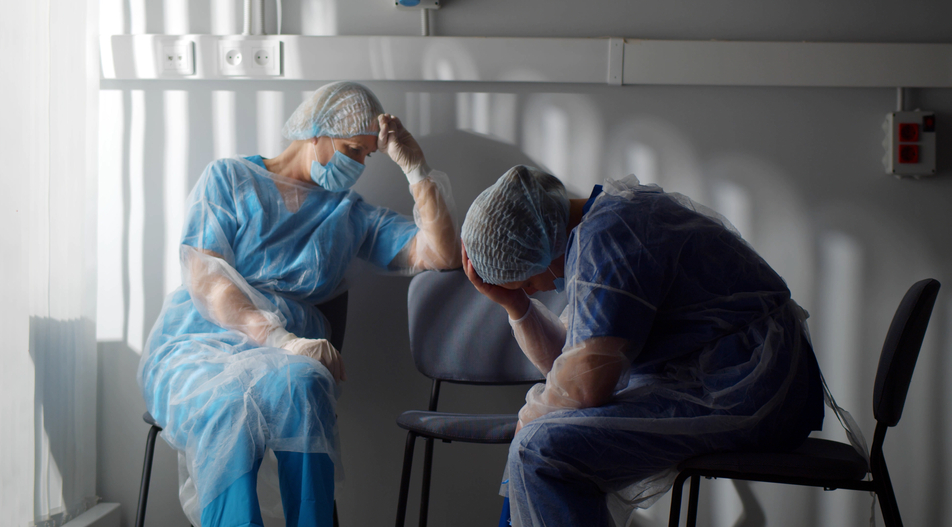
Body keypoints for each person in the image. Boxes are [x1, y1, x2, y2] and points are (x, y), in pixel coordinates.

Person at [138, 82, 459, 527]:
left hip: (289, 357)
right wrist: (279, 338)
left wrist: (416, 167)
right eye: (352, 149)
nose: (360, 164)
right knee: (228, 405)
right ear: (316, 132)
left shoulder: (349, 215)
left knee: (304, 383)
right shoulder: (228, 179)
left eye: (367, 155)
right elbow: (207, 279)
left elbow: (440, 254)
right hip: (203, 341)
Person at [460, 166, 824, 527]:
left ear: (535, 242)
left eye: (525, 282)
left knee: (539, 450)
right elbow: (572, 368)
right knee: (539, 441)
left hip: (751, 384)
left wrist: (530, 417)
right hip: (733, 378)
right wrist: (514, 305)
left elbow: (585, 387)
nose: (532, 289)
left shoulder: (612, 237)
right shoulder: (603, 229)